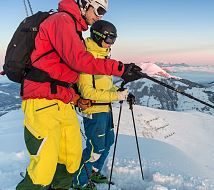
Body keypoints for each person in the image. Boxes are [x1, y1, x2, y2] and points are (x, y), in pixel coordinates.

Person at [16, 0, 142, 189]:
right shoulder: (62, 20)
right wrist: (120, 68)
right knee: (43, 168)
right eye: (98, 10)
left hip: (62, 101)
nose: (100, 16)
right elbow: (79, 61)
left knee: (71, 160)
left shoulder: (74, 29)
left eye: (104, 13)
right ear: (85, 4)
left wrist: (75, 98)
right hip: (42, 101)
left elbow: (63, 75)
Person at [73, 20, 125, 189]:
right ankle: (79, 181)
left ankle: (93, 172)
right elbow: (87, 92)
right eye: (109, 39)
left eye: (114, 39)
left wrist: (121, 92)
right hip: (94, 111)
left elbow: (107, 86)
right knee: (95, 148)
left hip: (106, 108)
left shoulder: (103, 57)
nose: (111, 43)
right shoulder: (86, 58)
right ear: (98, 36)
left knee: (108, 141)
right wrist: (115, 95)